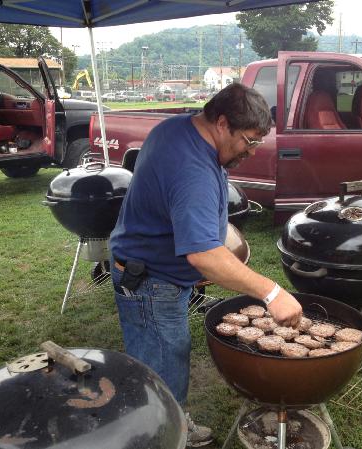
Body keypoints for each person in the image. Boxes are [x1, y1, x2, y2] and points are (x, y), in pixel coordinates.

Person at [109, 82, 303, 447]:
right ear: (222, 123)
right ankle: (162, 433)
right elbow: (202, 255)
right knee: (162, 368)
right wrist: (272, 293)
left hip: (152, 267)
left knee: (169, 354)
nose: (252, 151)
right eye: (249, 140)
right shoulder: (192, 169)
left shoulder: (177, 128)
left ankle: (174, 421)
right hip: (150, 281)